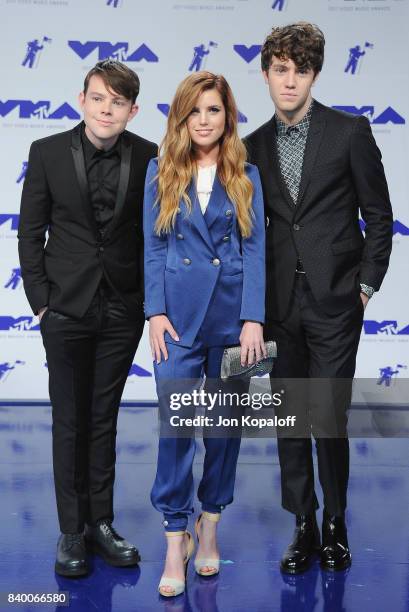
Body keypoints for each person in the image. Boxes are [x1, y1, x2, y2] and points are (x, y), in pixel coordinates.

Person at [244, 22, 392, 573]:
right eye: (280, 69)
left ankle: (336, 521)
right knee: (289, 417)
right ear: (265, 75)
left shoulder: (350, 132)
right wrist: (252, 310)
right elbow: (248, 233)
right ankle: (302, 523)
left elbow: (379, 215)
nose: (289, 80)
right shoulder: (251, 146)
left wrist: (366, 284)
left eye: (299, 70)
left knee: (328, 414)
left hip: (336, 302)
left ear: (315, 74)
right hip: (280, 307)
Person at [18, 60, 157, 577]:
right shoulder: (47, 152)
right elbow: (29, 233)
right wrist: (41, 301)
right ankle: (71, 530)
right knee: (68, 420)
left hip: (122, 308)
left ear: (131, 110)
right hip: (66, 308)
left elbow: (153, 234)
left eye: (117, 102)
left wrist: (147, 301)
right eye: (98, 98)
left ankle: (101, 522)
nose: (106, 108)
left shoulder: (148, 156)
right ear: (82, 100)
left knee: (104, 419)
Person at [143, 71, 265, 596]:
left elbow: (256, 249)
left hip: (232, 321)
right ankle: (176, 537)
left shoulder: (247, 174)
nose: (204, 120)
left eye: (213, 110)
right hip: (177, 319)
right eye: (194, 111)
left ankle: (208, 526)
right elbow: (151, 247)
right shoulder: (159, 170)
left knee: (223, 431)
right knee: (176, 431)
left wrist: (253, 317)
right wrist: (154, 312)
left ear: (227, 116)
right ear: (181, 117)